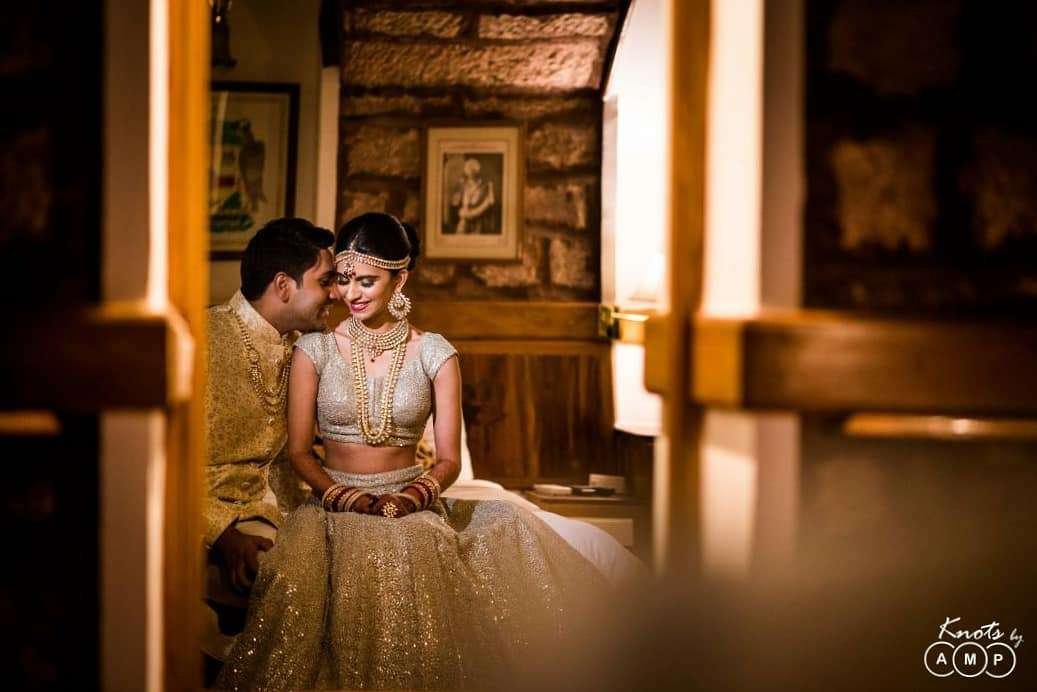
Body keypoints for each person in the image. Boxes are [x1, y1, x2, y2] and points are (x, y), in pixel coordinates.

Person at [215, 213, 608, 690]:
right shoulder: (312, 350)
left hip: (410, 502)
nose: (350, 294)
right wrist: (345, 497)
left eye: (366, 281)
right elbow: (299, 453)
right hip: (331, 506)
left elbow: (449, 460)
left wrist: (412, 497)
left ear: (399, 280)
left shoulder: (435, 353)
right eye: (342, 280)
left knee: (458, 538)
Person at [203, 217, 336, 659]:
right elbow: (157, 463)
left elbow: (289, 460)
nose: (335, 294)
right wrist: (222, 536)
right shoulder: (202, 341)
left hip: (278, 513)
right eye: (325, 281)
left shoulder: (303, 350)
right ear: (283, 285)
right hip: (205, 520)